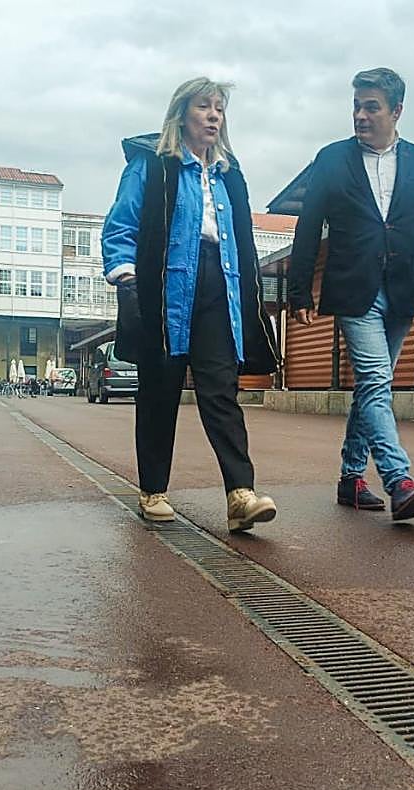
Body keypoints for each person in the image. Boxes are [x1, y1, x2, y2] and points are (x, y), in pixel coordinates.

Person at [288, 67, 414, 521]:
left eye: (371, 107)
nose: (360, 115)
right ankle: (399, 480)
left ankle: (351, 479)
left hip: (403, 288)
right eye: (356, 106)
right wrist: (298, 292)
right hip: (354, 289)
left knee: (372, 387)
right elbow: (309, 226)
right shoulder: (332, 159)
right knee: (375, 381)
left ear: (397, 111)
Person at [102, 77, 280, 532]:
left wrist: (248, 297)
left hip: (219, 286)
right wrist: (126, 277)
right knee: (160, 389)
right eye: (204, 107)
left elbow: (241, 242)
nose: (214, 116)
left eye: (219, 109)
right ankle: (153, 490)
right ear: (182, 113)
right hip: (164, 287)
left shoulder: (229, 174)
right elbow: (121, 225)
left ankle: (241, 494)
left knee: (221, 390)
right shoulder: (152, 164)